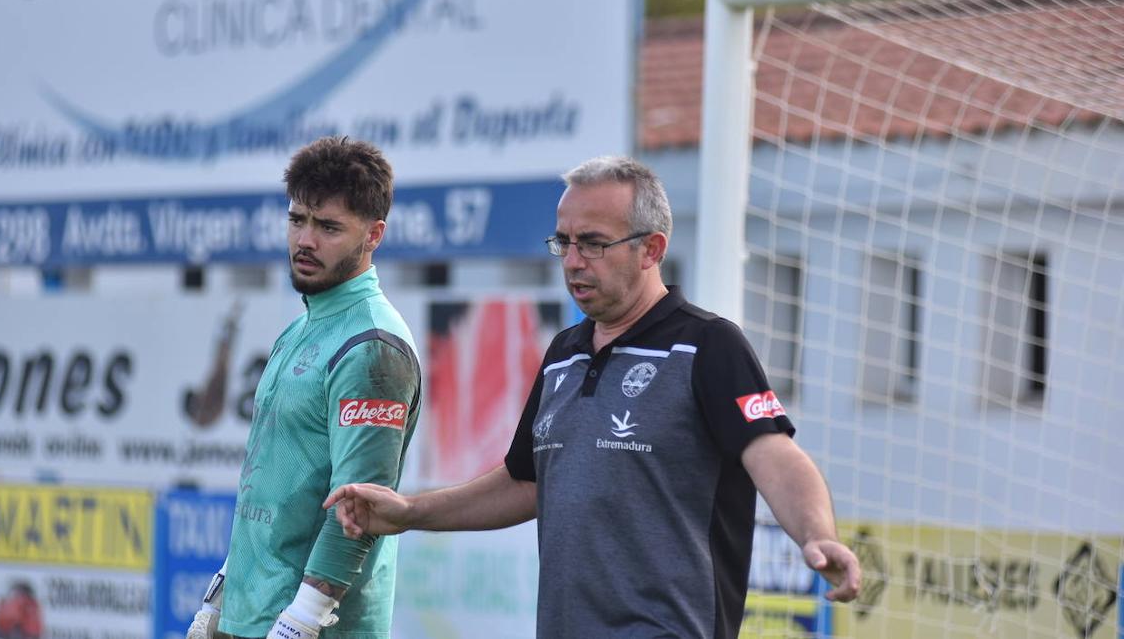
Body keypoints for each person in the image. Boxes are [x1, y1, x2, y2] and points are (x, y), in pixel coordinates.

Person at [325, 156, 861, 638]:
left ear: (652, 249)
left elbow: (773, 452)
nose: (574, 260)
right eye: (564, 242)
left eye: (595, 243)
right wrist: (409, 512)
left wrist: (818, 535)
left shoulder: (707, 345)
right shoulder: (564, 352)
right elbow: (524, 482)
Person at [188, 137, 422, 639]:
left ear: (374, 234)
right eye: (297, 220)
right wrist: (220, 596)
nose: (305, 241)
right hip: (249, 619)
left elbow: (357, 509)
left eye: (329, 227)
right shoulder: (300, 329)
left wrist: (302, 620)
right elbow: (267, 485)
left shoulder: (372, 346)